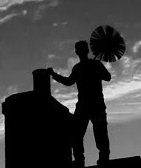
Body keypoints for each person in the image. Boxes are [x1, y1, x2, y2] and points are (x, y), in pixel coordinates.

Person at [48, 40, 111, 168]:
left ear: (78, 52)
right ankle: (88, 161)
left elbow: (68, 82)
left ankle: (84, 161)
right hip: (91, 105)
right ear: (86, 51)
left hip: (88, 105)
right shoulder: (89, 66)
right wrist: (54, 75)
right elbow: (107, 77)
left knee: (86, 134)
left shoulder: (83, 67)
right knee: (83, 134)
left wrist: (54, 75)